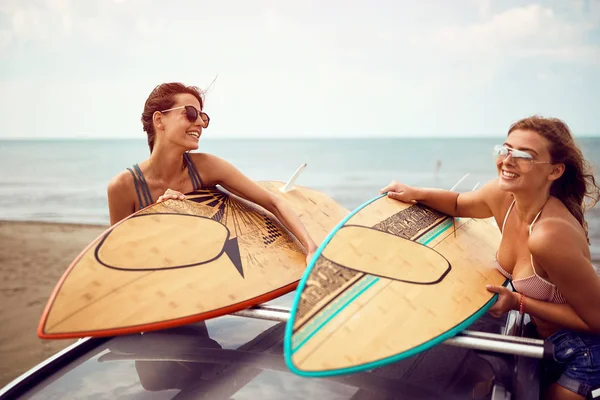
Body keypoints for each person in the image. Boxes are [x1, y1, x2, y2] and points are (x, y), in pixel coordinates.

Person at [380, 116, 600, 400]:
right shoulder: (503, 196)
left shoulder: (549, 236)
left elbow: (597, 320)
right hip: (541, 341)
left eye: (524, 156)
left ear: (555, 171)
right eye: (505, 149)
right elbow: (459, 203)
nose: (508, 160)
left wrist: (518, 302)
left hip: (583, 354)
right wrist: (414, 193)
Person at [107, 82, 317, 263]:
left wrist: (310, 248)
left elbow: (273, 203)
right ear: (159, 120)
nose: (199, 123)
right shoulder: (124, 187)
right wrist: (159, 218)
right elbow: (119, 259)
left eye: (203, 117)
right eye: (190, 113)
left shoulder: (207, 168)